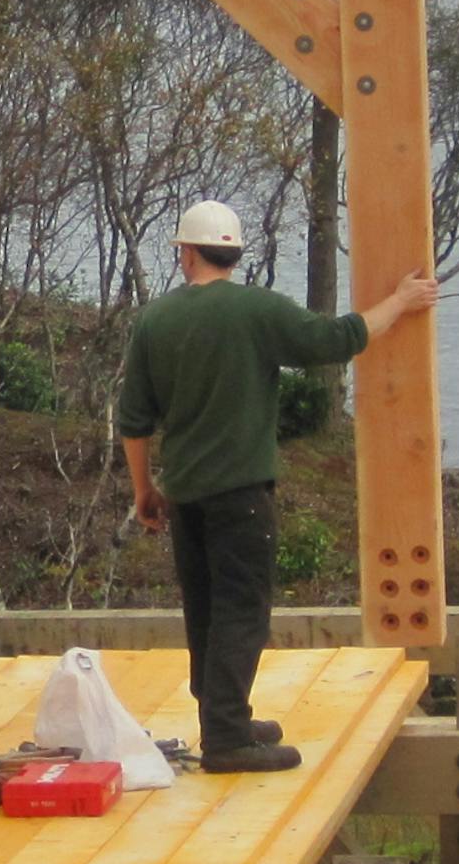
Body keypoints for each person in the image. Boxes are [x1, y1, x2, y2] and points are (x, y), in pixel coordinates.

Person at [114, 200, 437, 774]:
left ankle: (222, 716)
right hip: (241, 493)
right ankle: (228, 738)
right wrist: (402, 301)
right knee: (243, 610)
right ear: (234, 253)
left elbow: (135, 420)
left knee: (206, 610)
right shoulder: (256, 311)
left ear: (185, 254)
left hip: (184, 493)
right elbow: (340, 340)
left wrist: (144, 491)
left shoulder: (156, 320)